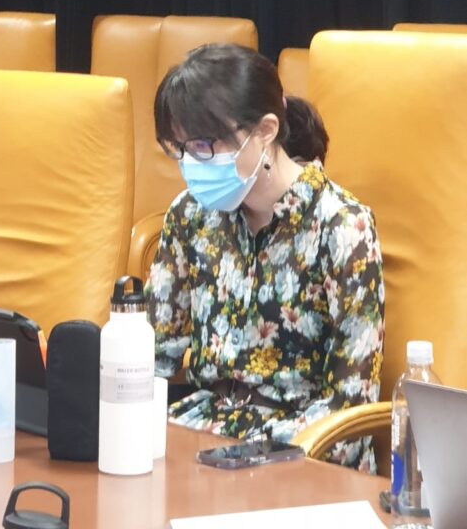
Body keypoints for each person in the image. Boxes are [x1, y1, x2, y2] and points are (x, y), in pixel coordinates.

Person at [145, 44, 384, 471]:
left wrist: (252, 455)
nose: (190, 164)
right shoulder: (191, 216)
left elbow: (351, 407)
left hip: (299, 448)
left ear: (265, 130)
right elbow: (153, 355)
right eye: (176, 148)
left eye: (203, 145)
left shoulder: (342, 228)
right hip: (203, 433)